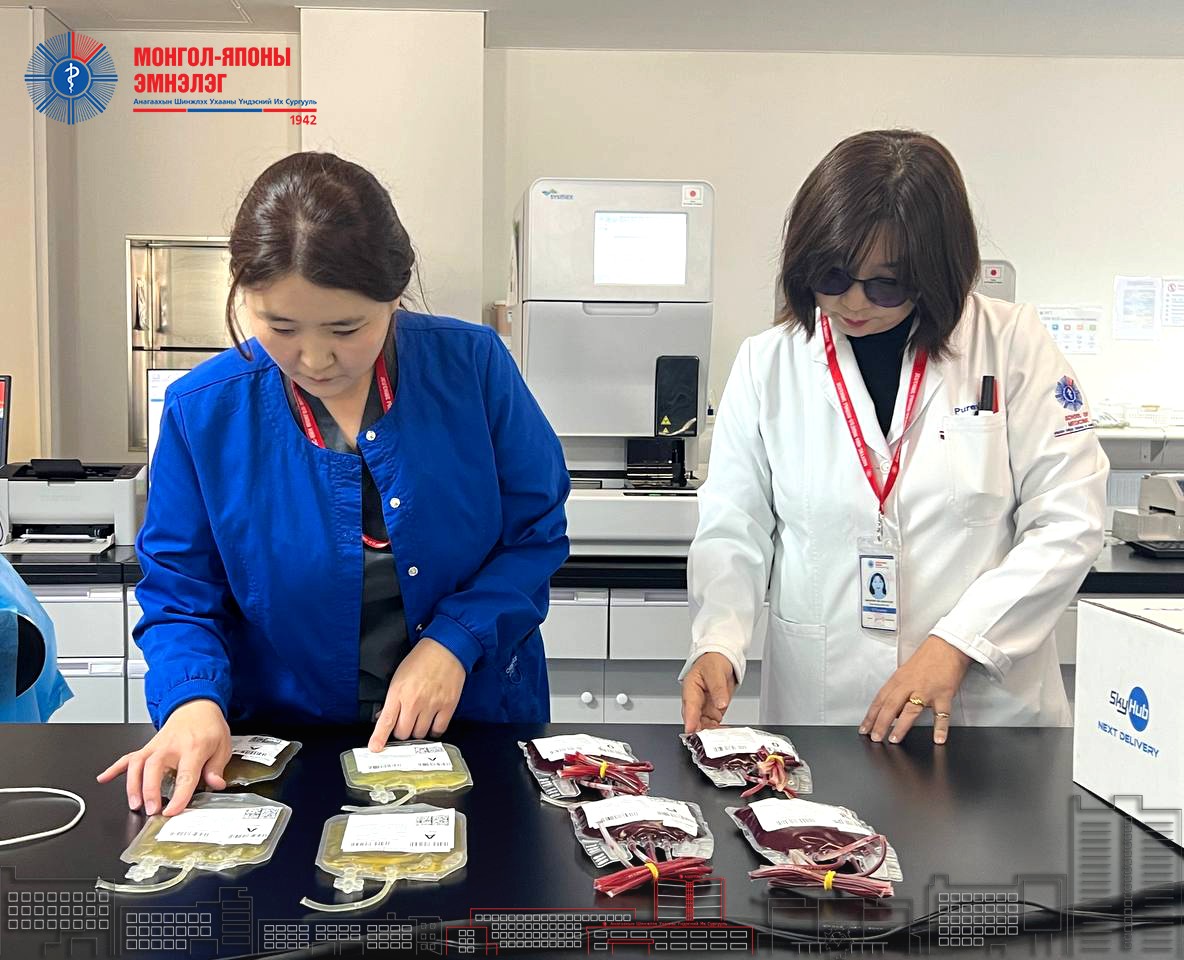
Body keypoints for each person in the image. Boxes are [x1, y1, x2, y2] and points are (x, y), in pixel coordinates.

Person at [98, 152, 570, 816]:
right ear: (243, 295)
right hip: (288, 743)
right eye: (280, 328)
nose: (315, 359)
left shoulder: (473, 367)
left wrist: (456, 639)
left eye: (347, 329)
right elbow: (180, 592)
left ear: (394, 295)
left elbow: (535, 534)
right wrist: (192, 699)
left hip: (471, 720)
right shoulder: (202, 410)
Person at [680, 129, 1107, 745]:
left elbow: (1069, 520)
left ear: (937, 271)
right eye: (832, 276)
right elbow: (734, 525)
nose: (854, 303)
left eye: (886, 284)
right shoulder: (768, 362)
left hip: (980, 722)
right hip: (824, 710)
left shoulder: (1011, 345)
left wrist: (959, 642)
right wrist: (718, 640)